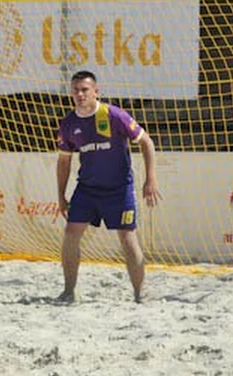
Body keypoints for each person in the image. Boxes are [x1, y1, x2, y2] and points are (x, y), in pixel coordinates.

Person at [56, 71, 160, 304]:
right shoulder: (69, 123)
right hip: (87, 189)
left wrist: (150, 179)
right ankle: (69, 291)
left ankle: (139, 293)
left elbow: (147, 142)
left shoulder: (114, 115)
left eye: (84, 89)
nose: (80, 94)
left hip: (119, 189)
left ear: (96, 92)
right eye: (75, 90)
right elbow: (64, 161)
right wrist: (61, 195)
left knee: (127, 237)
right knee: (71, 233)